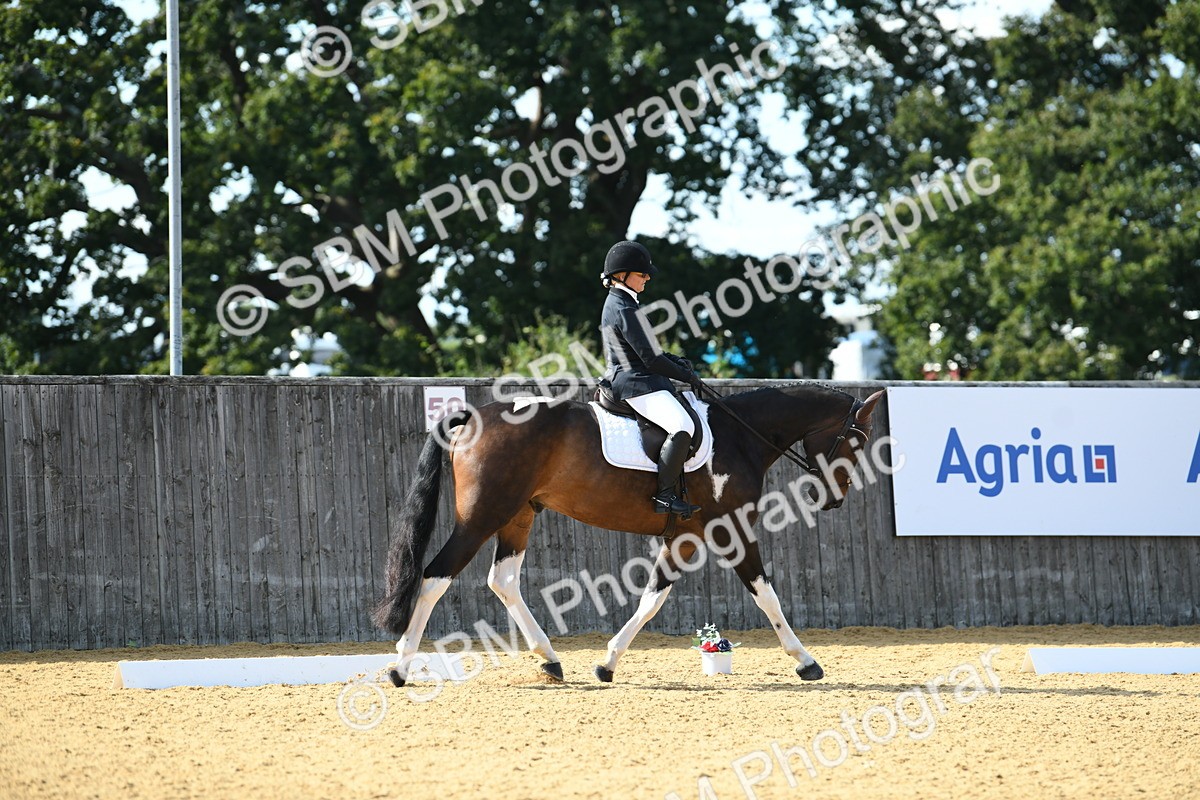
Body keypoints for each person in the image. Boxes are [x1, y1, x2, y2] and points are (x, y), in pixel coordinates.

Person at [598, 240, 703, 517]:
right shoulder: (624, 308)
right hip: (634, 382)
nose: (647, 278)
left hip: (638, 377)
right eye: (642, 274)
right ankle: (665, 497)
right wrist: (686, 376)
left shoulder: (623, 303)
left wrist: (676, 361)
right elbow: (650, 360)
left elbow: (648, 349)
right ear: (621, 276)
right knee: (682, 426)